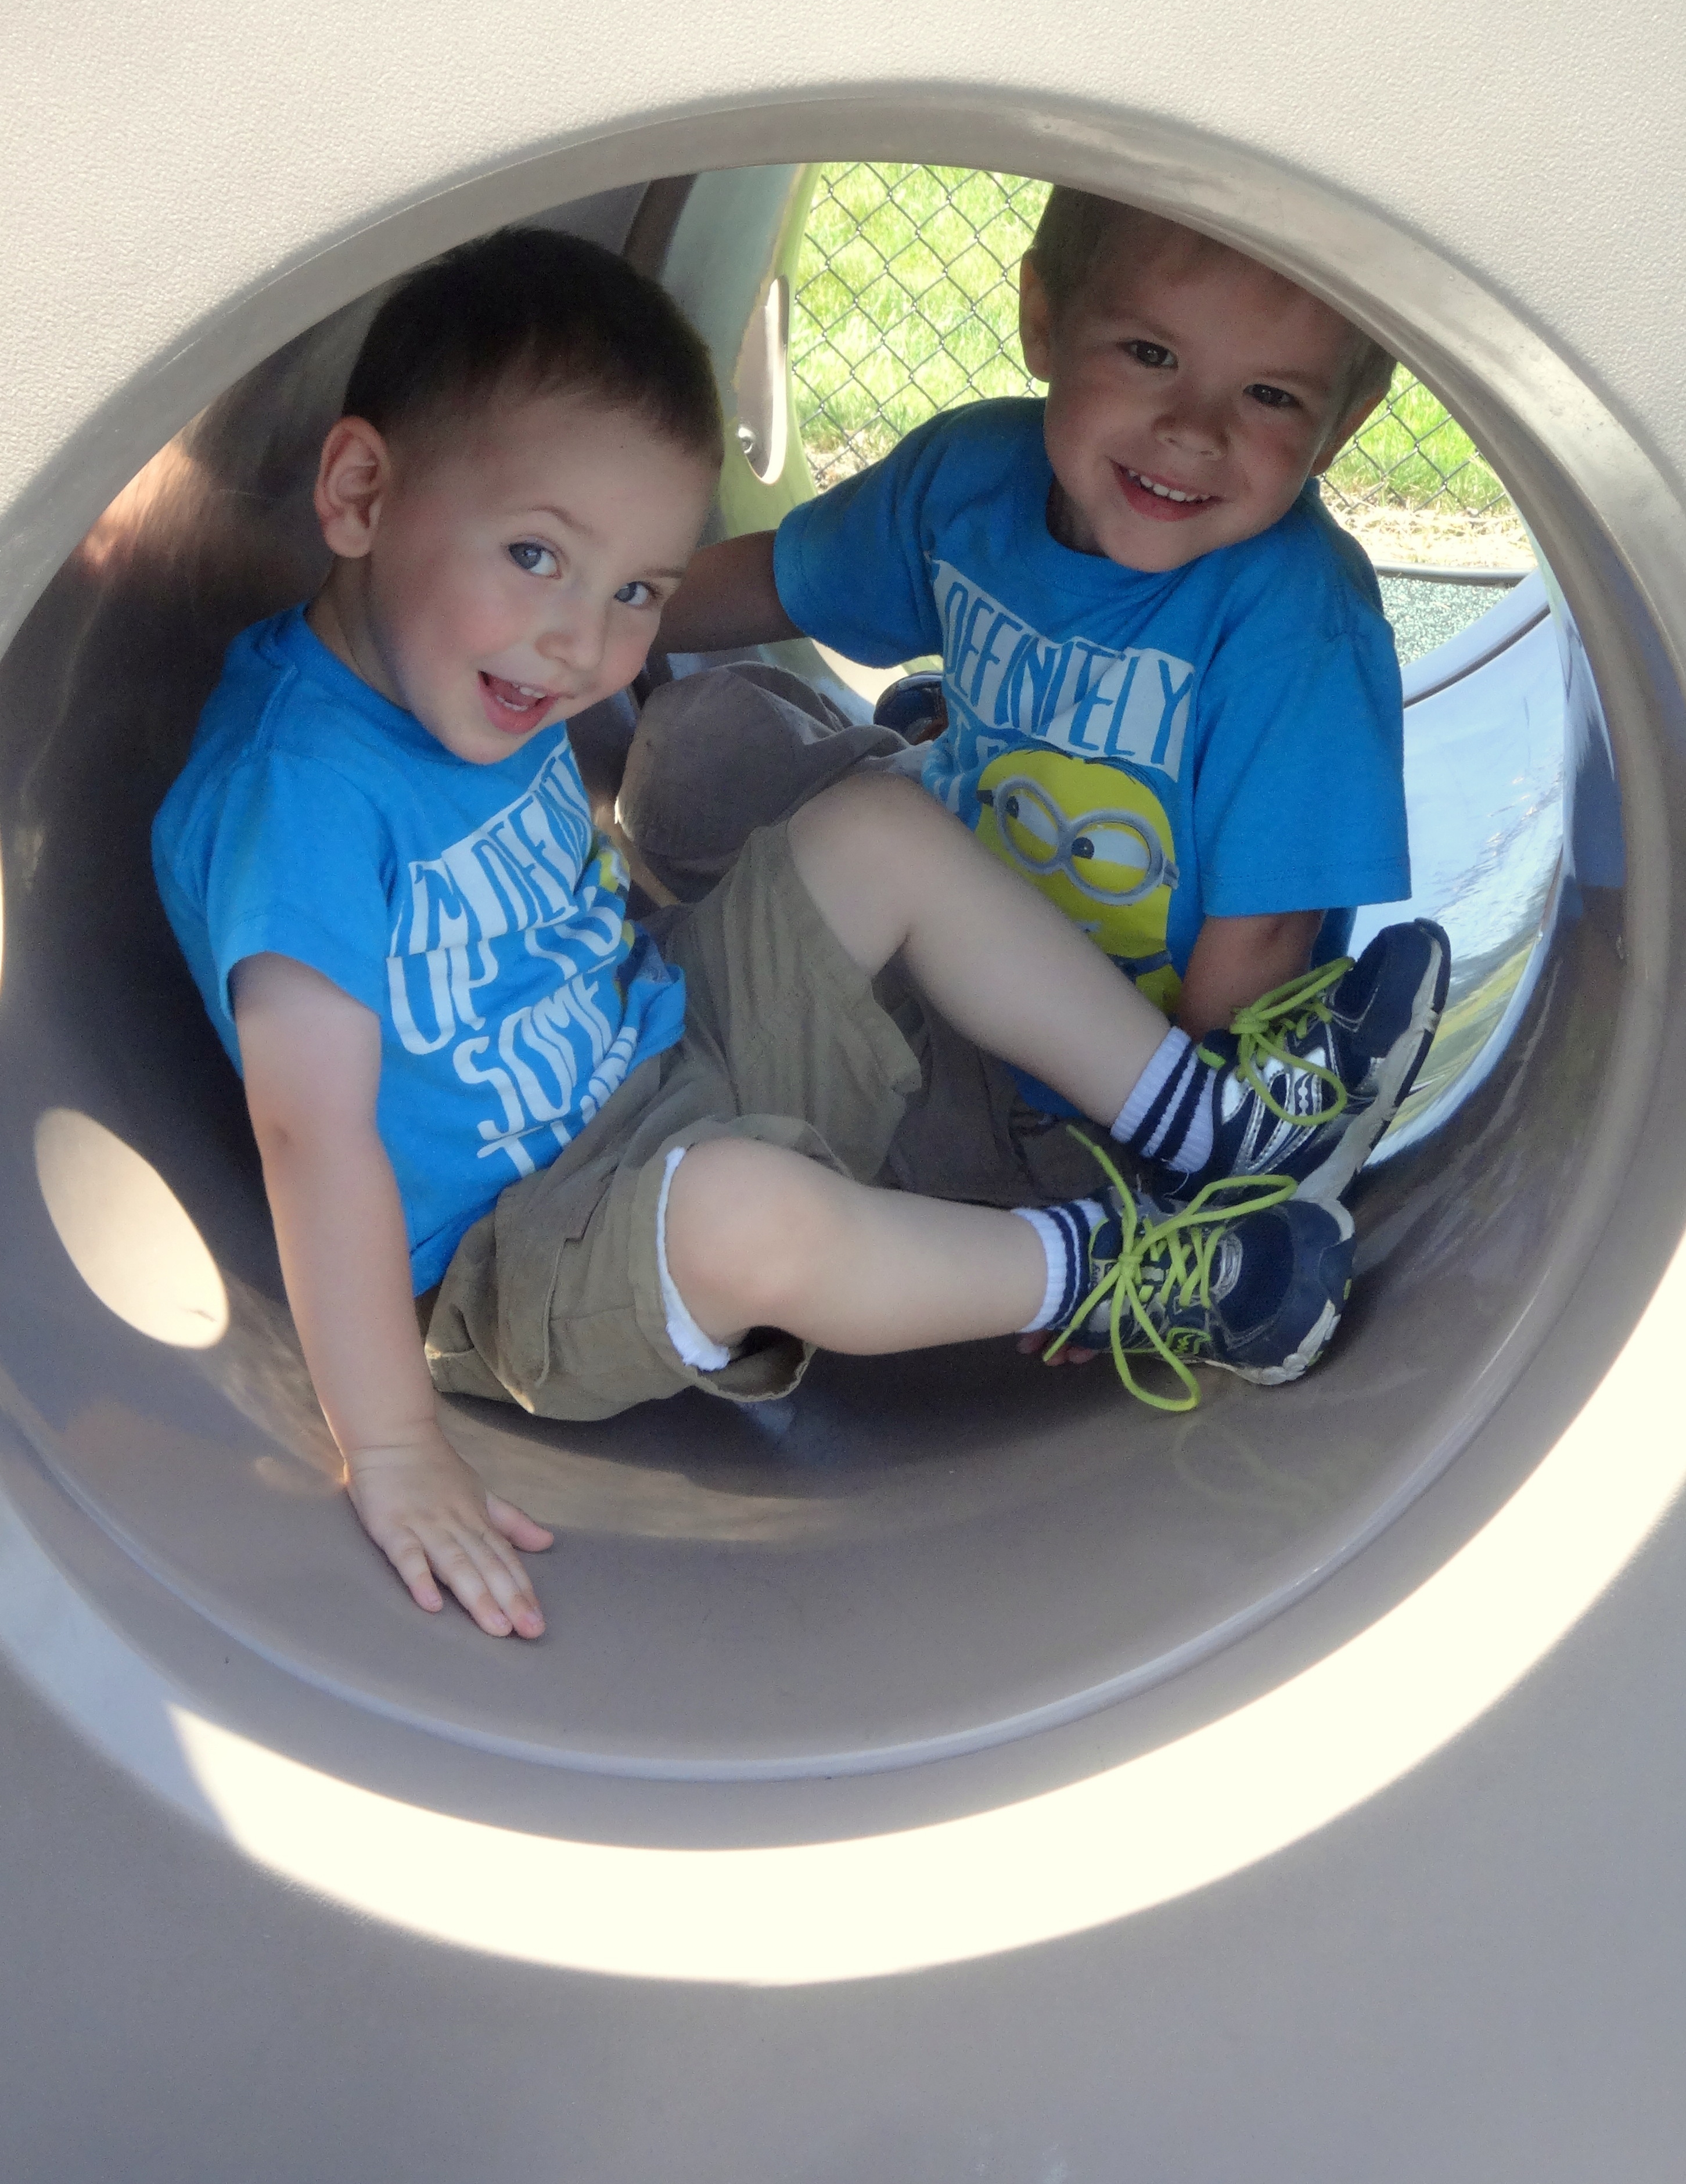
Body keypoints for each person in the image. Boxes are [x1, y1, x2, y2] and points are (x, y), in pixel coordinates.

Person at [153, 228, 1447, 1642]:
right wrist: (393, 1445)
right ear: (358, 493)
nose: (582, 645)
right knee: (740, 1210)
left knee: (880, 828)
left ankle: (1220, 1133)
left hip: (663, 1055)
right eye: (537, 557)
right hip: (518, 1256)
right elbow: (311, 1135)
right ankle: (1138, 1271)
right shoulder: (299, 795)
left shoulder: (476, 655)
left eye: (635, 592)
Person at [636, 189, 1414, 1053]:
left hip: (1077, 1046)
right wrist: (602, 614)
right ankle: (937, 742)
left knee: (776, 1065)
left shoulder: (1301, 625)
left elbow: (1268, 931)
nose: (1195, 432)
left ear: (1340, 425)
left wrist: (1180, 1112)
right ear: (1045, 323)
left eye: (1270, 395)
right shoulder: (974, 476)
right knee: (695, 747)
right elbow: (782, 581)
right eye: (1151, 354)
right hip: (953, 847)